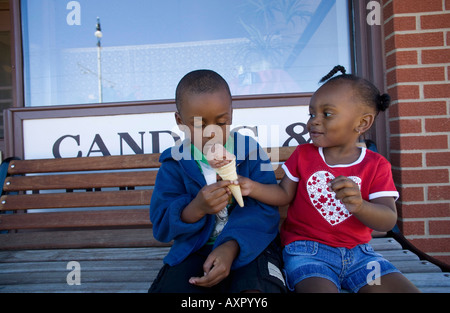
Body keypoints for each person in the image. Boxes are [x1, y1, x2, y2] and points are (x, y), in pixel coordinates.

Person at [237, 66, 420, 293]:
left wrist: (360, 206)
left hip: (361, 256)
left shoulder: (376, 165)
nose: (314, 121)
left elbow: (387, 220)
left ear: (362, 123)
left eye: (327, 114)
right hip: (307, 253)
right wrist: (251, 187)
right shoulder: (304, 155)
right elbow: (284, 195)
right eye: (312, 114)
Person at [149, 69, 286, 293]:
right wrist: (196, 208)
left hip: (250, 245)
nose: (213, 134)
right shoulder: (174, 165)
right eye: (200, 125)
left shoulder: (250, 152)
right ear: (180, 121)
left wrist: (231, 247)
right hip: (195, 249)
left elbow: (265, 210)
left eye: (222, 122)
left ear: (231, 115)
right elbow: (162, 226)